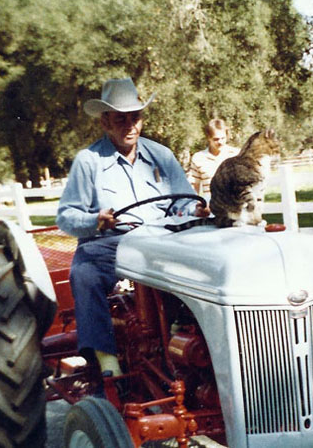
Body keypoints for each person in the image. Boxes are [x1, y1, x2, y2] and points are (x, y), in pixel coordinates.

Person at [56, 77, 208, 379]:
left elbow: (181, 200)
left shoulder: (160, 155)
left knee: (205, 265)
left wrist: (196, 209)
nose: (130, 126)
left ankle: (189, 346)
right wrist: (95, 219)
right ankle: (105, 362)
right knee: (84, 274)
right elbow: (66, 216)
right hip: (108, 242)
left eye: (134, 118)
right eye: (120, 119)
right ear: (105, 122)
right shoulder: (89, 161)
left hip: (160, 240)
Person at [188, 119, 239, 199]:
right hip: (211, 205)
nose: (220, 142)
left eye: (223, 138)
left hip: (234, 204)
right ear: (208, 138)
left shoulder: (236, 155)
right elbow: (194, 186)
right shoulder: (199, 158)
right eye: (216, 139)